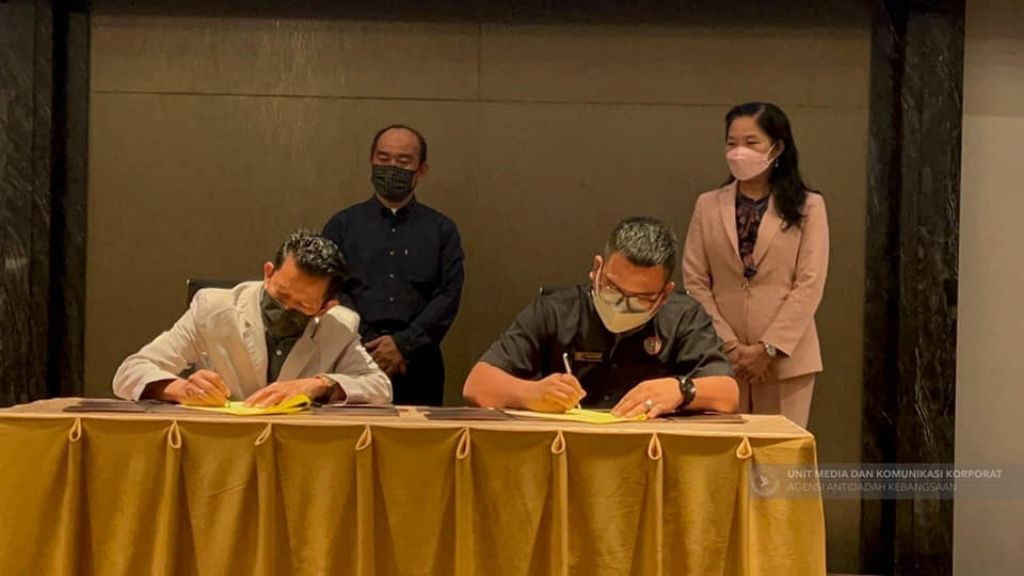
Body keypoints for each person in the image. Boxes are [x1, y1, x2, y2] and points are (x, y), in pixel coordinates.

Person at [463, 217, 738, 419]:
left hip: (649, 454)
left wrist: (681, 390)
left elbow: (728, 394)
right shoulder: (555, 310)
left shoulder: (684, 316)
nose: (621, 306)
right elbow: (477, 385)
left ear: (664, 294)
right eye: (612, 289)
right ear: (597, 269)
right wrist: (531, 394)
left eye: (640, 298)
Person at [112, 230, 391, 407]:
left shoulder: (340, 326)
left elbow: (380, 388)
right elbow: (130, 372)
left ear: (325, 307)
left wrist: (319, 385)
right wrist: (179, 388)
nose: (286, 308)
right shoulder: (212, 309)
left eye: (304, 304)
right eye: (281, 294)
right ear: (268, 273)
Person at [682, 102, 829, 428]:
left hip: (786, 361)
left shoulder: (809, 207)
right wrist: (730, 346)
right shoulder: (708, 205)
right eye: (731, 143)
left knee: (778, 454)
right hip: (721, 360)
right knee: (724, 453)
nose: (739, 152)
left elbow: (809, 283)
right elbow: (695, 281)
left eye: (751, 142)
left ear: (777, 147)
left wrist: (768, 349)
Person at [322, 124, 464, 406]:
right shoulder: (342, 225)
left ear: (421, 170)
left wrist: (402, 344)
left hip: (419, 363)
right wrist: (367, 342)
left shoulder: (442, 230)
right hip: (350, 358)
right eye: (383, 158)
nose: (392, 167)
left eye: (403, 161)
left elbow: (448, 295)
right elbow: (329, 289)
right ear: (371, 161)